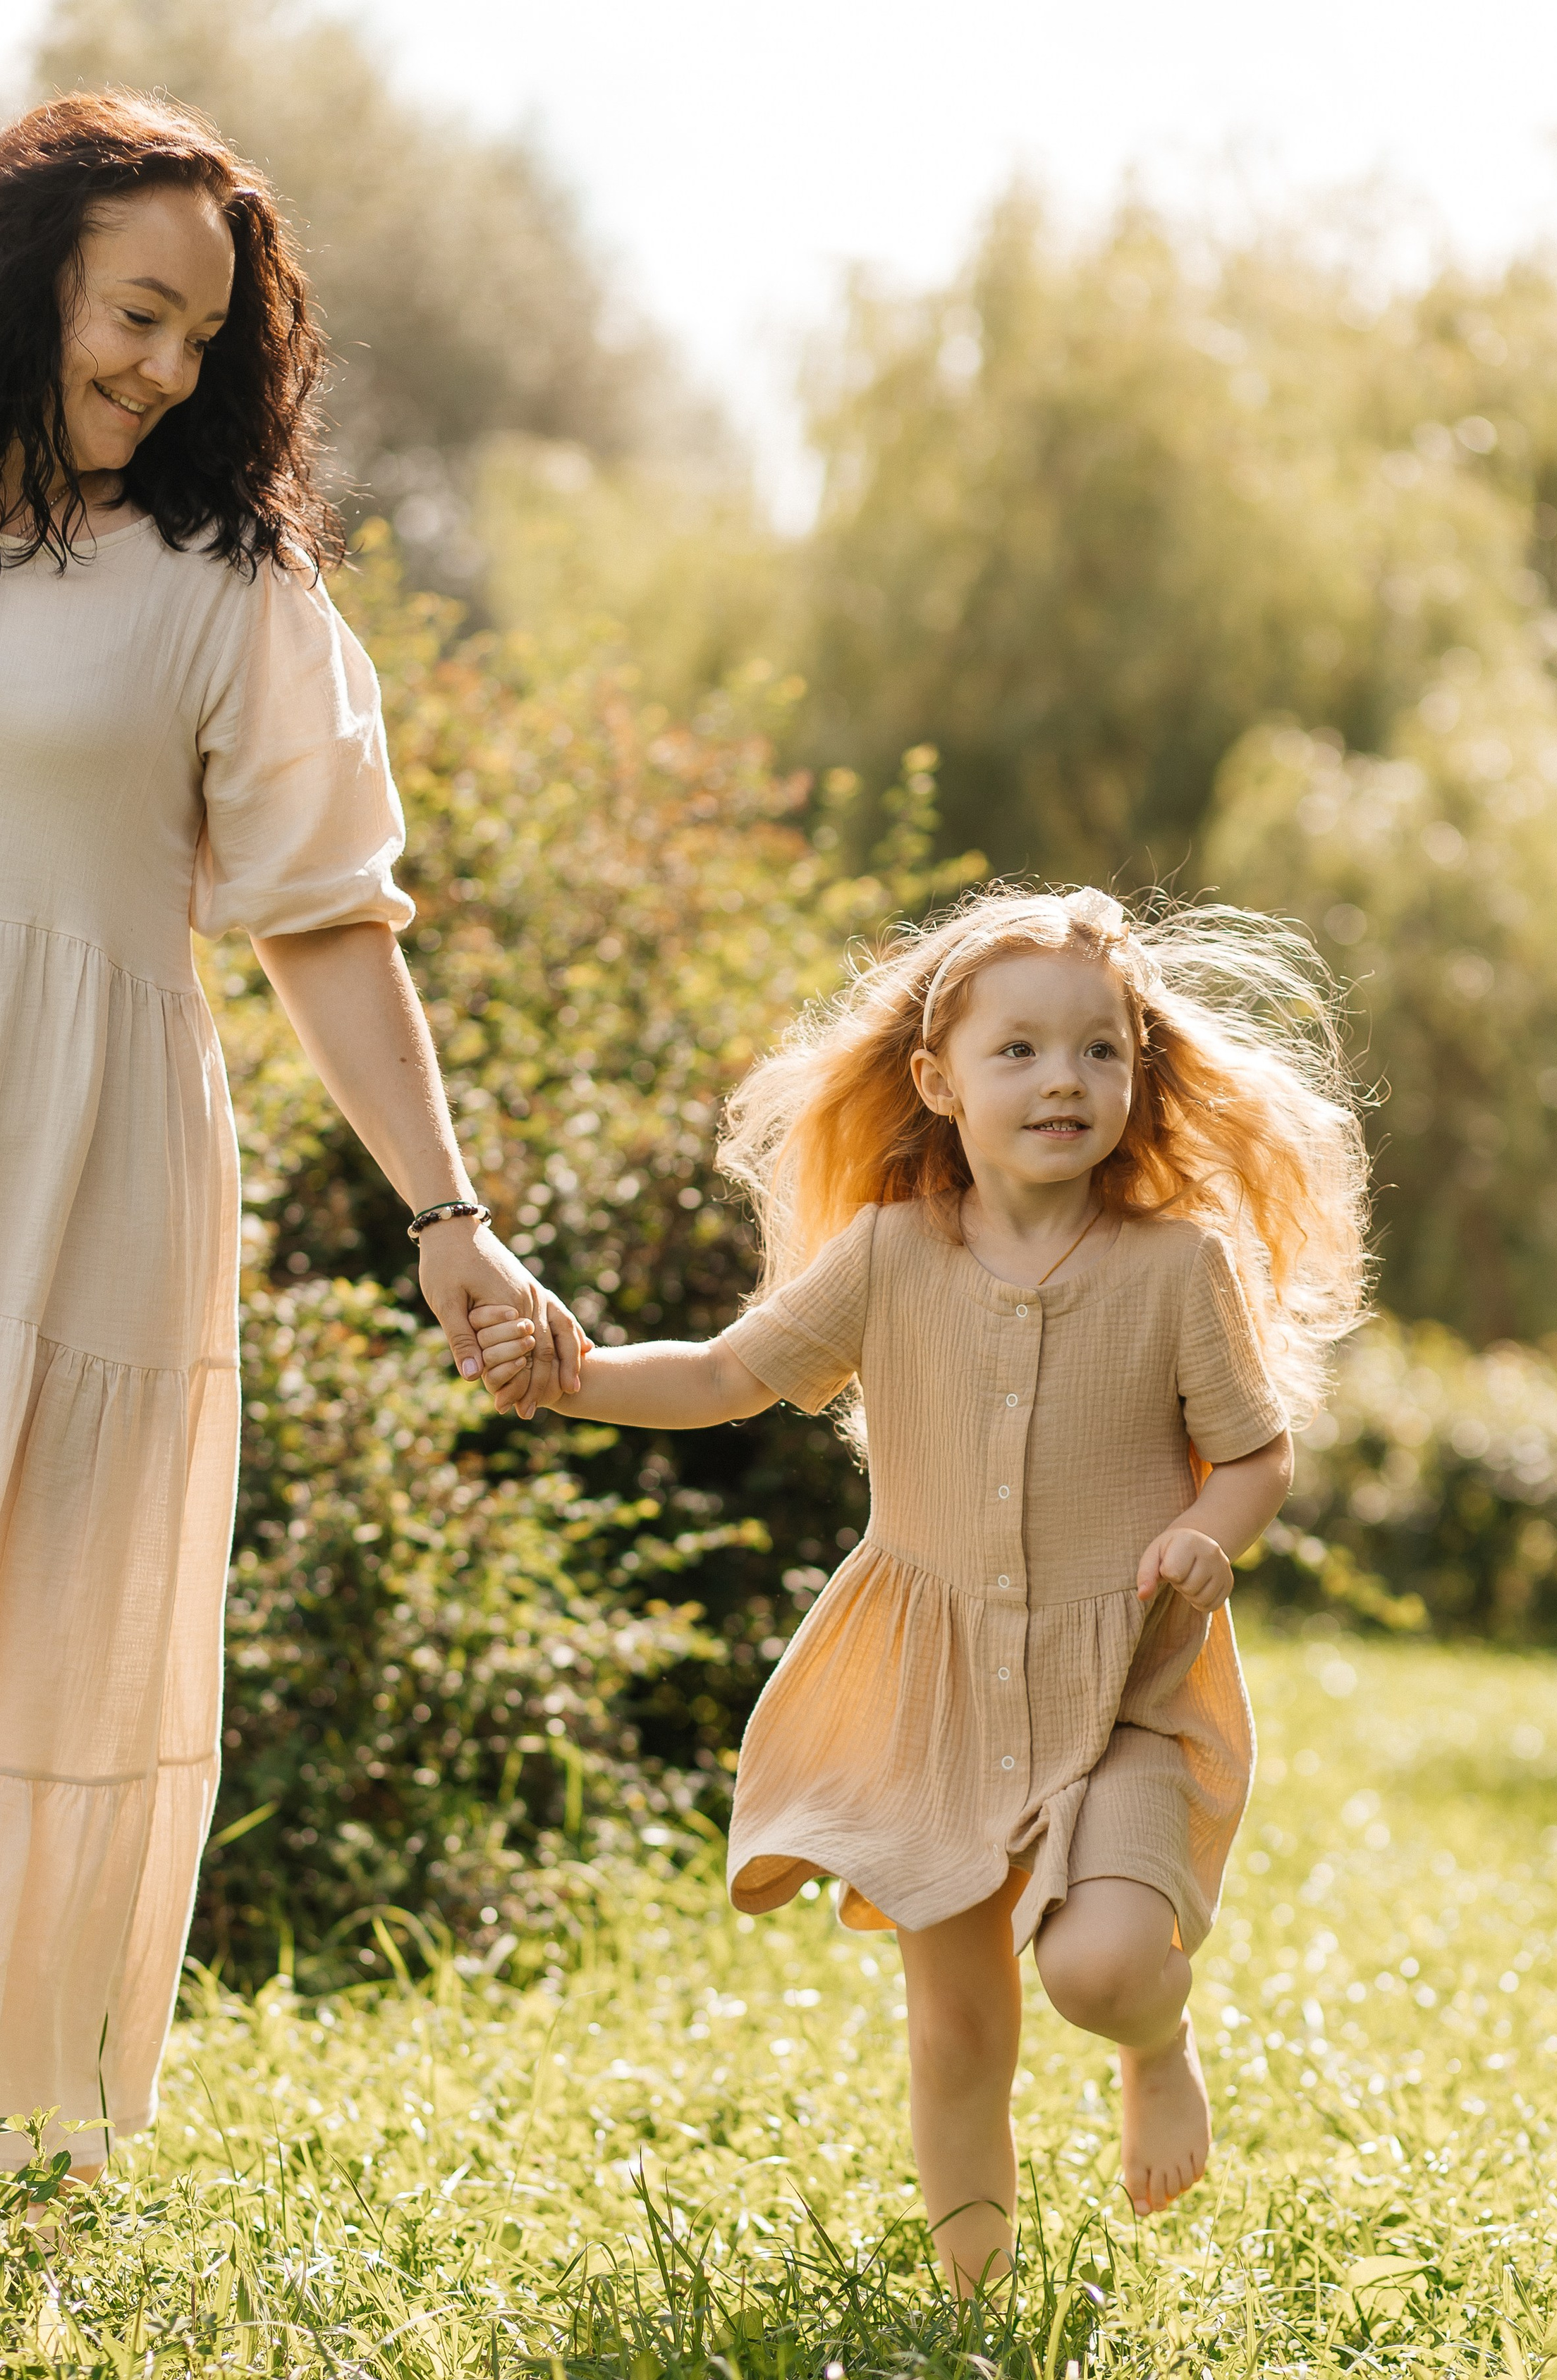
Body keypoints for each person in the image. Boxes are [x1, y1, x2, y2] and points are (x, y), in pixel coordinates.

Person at [0, 91, 580, 2183]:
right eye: (136, 313)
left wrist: (449, 1217)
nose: (163, 369)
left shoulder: (225, 592)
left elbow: (329, 926)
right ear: (20, 270)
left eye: (202, 343)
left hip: (59, 1184)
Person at [474, 885, 1368, 2292]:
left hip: (1128, 1679)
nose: (1061, 1079)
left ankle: (1156, 2041)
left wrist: (1213, 1529)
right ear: (935, 1081)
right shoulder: (890, 1254)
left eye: (1097, 1051)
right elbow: (721, 1376)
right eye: (1016, 1051)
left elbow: (1254, 1454)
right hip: (935, 1692)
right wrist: (573, 1380)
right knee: (957, 2037)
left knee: (1096, 1964)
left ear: (1136, 1079)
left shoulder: (1173, 1265)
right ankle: (976, 2301)